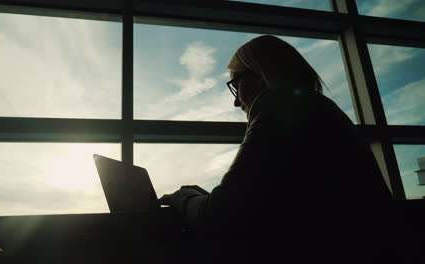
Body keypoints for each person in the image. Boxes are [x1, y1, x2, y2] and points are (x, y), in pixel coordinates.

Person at [159, 35, 393, 262]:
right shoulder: (319, 109)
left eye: (235, 84)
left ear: (260, 74)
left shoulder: (279, 108)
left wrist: (183, 198)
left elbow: (218, 216)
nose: (235, 101)